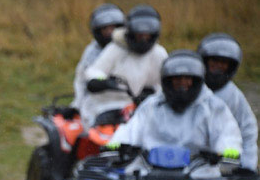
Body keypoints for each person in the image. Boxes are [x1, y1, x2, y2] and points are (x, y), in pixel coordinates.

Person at [110, 50, 243, 159]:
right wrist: (117, 142)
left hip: (199, 176)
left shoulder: (213, 106)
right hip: (151, 174)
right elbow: (132, 129)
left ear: (196, 80)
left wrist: (229, 149)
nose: (182, 82)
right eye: (177, 78)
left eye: (187, 78)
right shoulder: (152, 105)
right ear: (168, 80)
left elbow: (227, 134)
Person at [82, 4, 168, 127]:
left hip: (146, 107)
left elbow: (166, 83)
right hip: (111, 105)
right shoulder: (116, 48)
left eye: (146, 35)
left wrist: (153, 94)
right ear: (131, 33)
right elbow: (94, 72)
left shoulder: (159, 53)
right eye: (139, 35)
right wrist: (104, 82)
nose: (143, 39)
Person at [199, 33, 258, 169]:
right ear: (204, 62)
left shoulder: (234, 95)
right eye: (214, 61)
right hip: (188, 157)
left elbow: (248, 131)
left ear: (231, 67)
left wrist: (248, 165)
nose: (218, 66)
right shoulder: (190, 87)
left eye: (223, 63)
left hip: (219, 161)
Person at [72, 4, 126, 112]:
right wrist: (104, 81)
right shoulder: (92, 52)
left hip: (127, 96)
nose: (111, 32)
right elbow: (88, 77)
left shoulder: (129, 47)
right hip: (99, 99)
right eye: (105, 29)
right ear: (97, 31)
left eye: (114, 28)